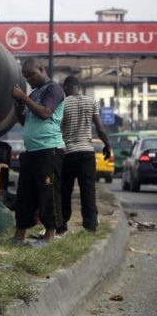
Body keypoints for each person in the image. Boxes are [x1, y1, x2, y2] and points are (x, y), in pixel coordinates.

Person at [11, 58, 65, 246]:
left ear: (42, 69)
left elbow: (44, 113)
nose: (29, 80)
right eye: (26, 77)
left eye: (31, 75)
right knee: (25, 193)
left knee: (48, 193)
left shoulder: (54, 89)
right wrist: (18, 103)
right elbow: (24, 121)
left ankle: (49, 236)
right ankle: (19, 236)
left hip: (49, 150)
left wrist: (23, 97)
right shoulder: (34, 94)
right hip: (32, 151)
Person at [59, 76, 111, 234]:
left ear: (66, 88)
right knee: (88, 190)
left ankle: (62, 226)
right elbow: (100, 128)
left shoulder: (63, 103)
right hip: (87, 153)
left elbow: (59, 129)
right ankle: (90, 225)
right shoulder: (91, 102)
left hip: (68, 153)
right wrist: (107, 145)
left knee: (64, 191)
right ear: (79, 87)